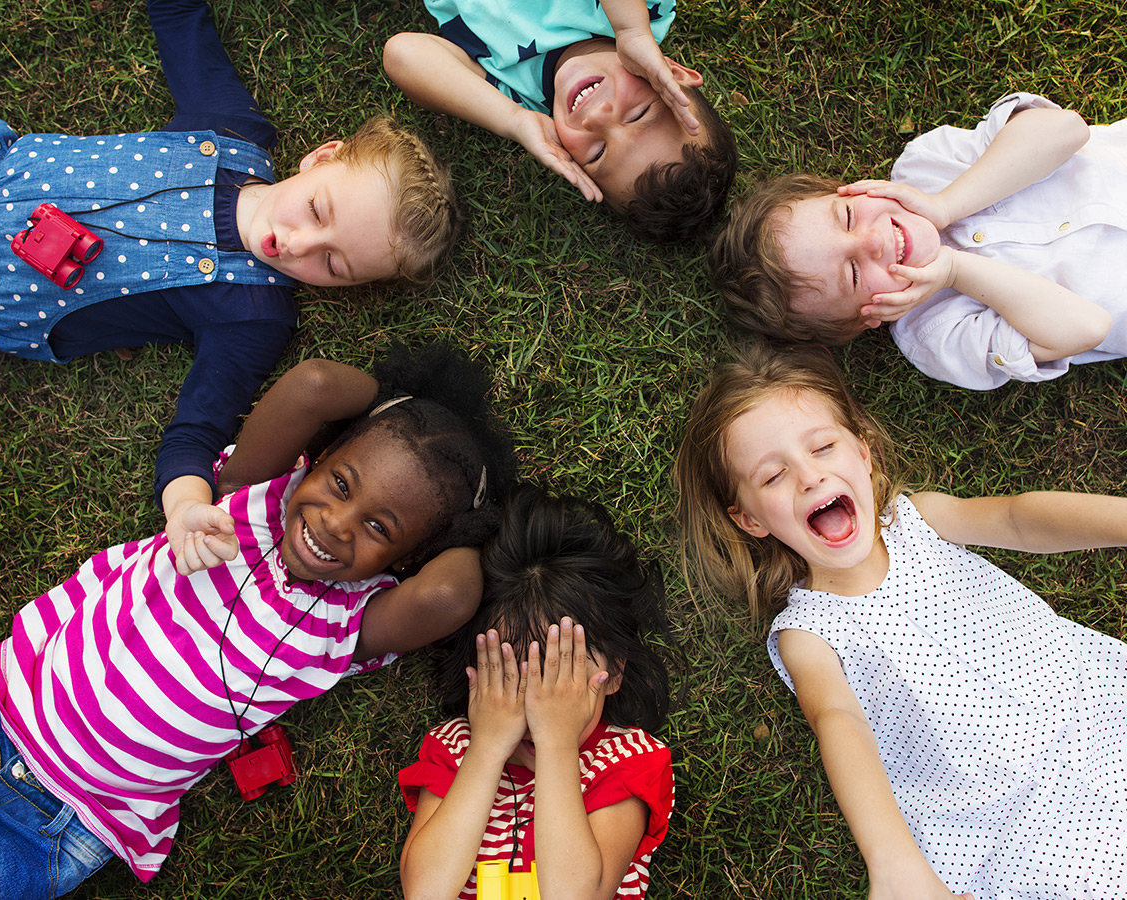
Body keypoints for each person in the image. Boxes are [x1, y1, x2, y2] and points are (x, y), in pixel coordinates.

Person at [0, 342, 515, 898]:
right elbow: (313, 384)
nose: (338, 523)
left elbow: (448, 597)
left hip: (68, 821)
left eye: (379, 528)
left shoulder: (349, 625)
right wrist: (387, 404)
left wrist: (472, 527)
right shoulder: (248, 500)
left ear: (406, 558)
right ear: (319, 459)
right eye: (340, 483)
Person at [0, 0, 460, 556]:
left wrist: (185, 507)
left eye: (332, 265)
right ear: (322, 158)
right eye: (318, 211)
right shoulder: (228, 129)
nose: (299, 244)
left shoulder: (253, 314)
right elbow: (181, 23)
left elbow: (196, 432)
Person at [672, 342, 1127, 899]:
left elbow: (1020, 518)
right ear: (749, 520)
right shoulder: (807, 635)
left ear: (864, 452)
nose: (810, 477)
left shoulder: (921, 519)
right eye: (772, 477)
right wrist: (893, 865)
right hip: (1006, 821)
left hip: (1097, 706)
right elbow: (839, 722)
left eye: (822, 447)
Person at [709, 93, 1127, 390]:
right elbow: (1089, 327)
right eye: (854, 273)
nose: (873, 241)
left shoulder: (926, 164)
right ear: (866, 318)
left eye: (849, 217)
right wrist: (956, 271)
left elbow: (1066, 129)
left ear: (850, 190)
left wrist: (946, 204)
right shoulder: (935, 336)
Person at [399, 486, 675, 900]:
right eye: (512, 673)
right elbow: (425, 892)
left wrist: (558, 741)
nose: (535, 704)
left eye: (559, 674)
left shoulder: (628, 760)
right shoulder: (456, 748)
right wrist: (488, 745)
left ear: (614, 672)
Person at [382, 0, 737, 245]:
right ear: (672, 74)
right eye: (639, 113)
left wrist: (515, 121)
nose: (598, 118)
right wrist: (631, 30)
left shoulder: (514, 97)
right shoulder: (644, 13)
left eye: (597, 153)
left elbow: (402, 55)